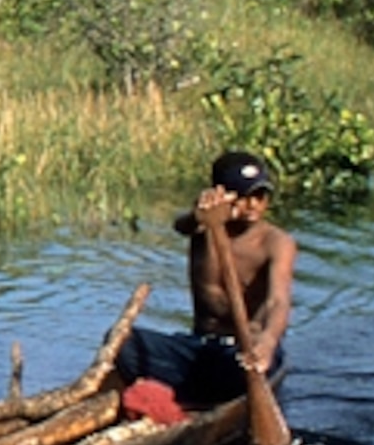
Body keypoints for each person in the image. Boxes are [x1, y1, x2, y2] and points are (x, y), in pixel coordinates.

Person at [122, 150, 294, 406]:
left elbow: (277, 301)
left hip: (244, 353)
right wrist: (202, 216)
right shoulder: (203, 226)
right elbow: (182, 226)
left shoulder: (277, 243)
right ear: (221, 195)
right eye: (245, 196)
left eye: (260, 196)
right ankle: (177, 395)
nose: (253, 205)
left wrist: (267, 344)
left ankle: (196, 396)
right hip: (200, 347)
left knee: (238, 371)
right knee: (124, 344)